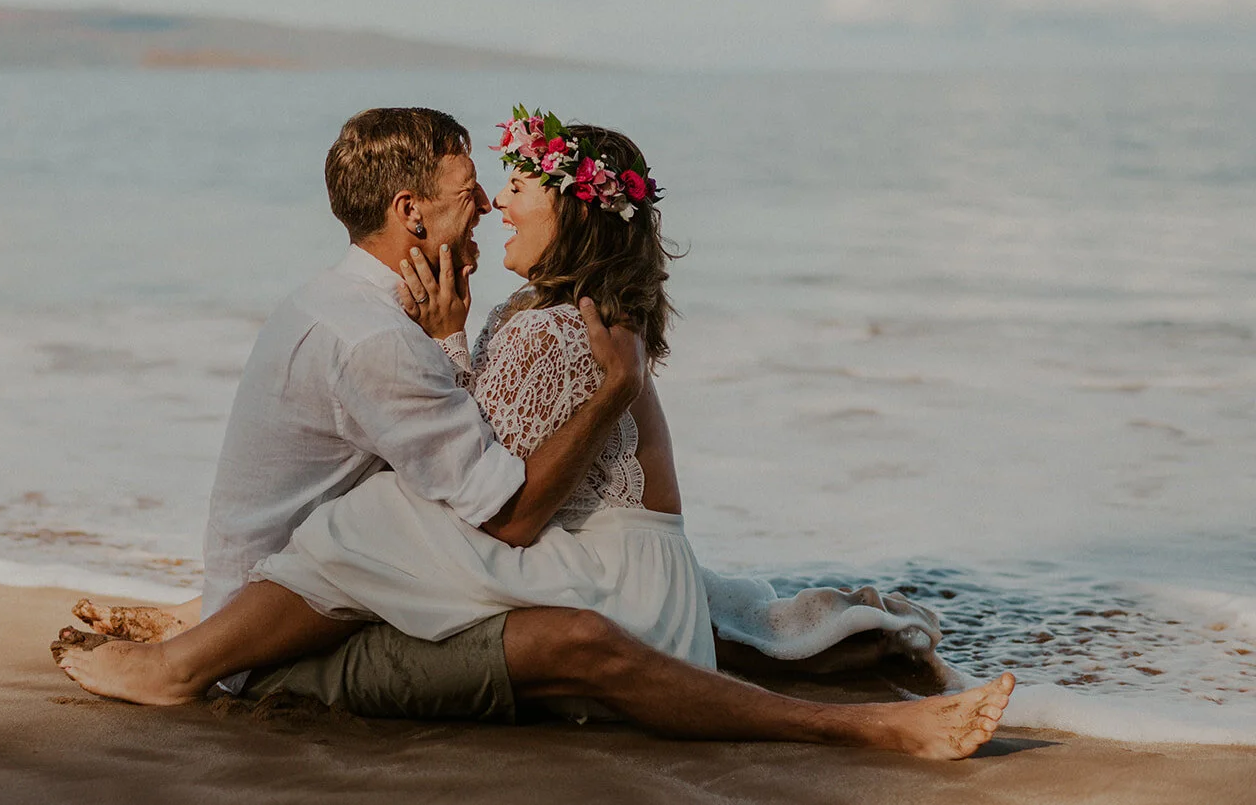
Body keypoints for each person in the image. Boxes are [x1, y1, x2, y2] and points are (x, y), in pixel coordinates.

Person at [54, 107, 1014, 759]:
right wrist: (452, 341)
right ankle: (200, 636)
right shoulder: (497, 323)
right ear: (410, 211)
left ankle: (187, 654)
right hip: (592, 563)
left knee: (375, 521)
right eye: (481, 187)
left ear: (572, 214)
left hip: (604, 570)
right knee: (386, 517)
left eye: (517, 189)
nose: (494, 202)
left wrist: (567, 379)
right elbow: (488, 461)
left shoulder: (551, 326)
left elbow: (501, 509)